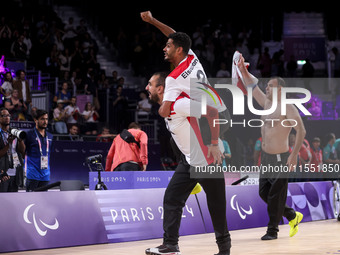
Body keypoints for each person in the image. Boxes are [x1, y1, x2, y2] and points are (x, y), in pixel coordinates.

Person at [145, 72, 230, 255]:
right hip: (189, 163)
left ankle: (224, 250)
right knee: (172, 198)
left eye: (149, 84)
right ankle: (170, 245)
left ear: (160, 89)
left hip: (207, 163)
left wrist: (215, 144)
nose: (147, 87)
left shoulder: (180, 104)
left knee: (216, 206)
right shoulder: (166, 108)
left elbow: (212, 112)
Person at [237, 54, 305, 240]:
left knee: (275, 195)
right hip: (266, 158)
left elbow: (301, 131)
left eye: (270, 86)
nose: (266, 88)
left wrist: (293, 155)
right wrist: (243, 70)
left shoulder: (288, 107)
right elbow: (252, 86)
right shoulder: (266, 104)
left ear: (280, 89)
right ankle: (292, 215)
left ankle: (272, 231)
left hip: (281, 158)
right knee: (263, 193)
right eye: (266, 86)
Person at [25, 109, 53, 192]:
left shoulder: (50, 136)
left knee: (43, 202)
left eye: (46, 119)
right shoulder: (29, 134)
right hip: (33, 175)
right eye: (42, 119)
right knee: (30, 202)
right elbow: (22, 152)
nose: (45, 122)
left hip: (45, 175)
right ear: (35, 120)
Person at [0, 107, 25, 192]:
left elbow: (22, 151)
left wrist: (20, 140)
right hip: (3, 174)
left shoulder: (13, 131)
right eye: (4, 115)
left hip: (15, 172)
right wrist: (9, 144)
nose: (7, 118)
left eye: (8, 115)